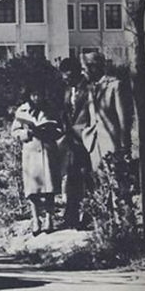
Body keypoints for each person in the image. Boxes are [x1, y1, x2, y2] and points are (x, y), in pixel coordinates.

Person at [11, 84, 63, 235]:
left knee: (49, 188)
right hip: (31, 152)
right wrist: (26, 134)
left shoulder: (50, 109)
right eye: (34, 95)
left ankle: (49, 219)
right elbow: (14, 131)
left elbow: (60, 128)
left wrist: (50, 132)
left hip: (47, 151)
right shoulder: (22, 111)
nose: (37, 98)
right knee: (32, 189)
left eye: (39, 95)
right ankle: (35, 219)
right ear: (29, 96)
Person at [79, 51, 132, 171]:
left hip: (112, 146)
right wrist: (86, 134)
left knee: (115, 179)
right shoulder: (90, 88)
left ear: (93, 67)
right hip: (94, 146)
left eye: (84, 69)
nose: (82, 73)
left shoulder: (115, 86)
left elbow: (123, 120)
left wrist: (125, 147)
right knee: (99, 180)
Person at [58, 57, 91, 229]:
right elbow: (66, 112)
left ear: (77, 72)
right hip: (71, 139)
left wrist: (86, 133)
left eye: (69, 76)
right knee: (72, 176)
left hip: (87, 139)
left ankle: (89, 215)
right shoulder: (67, 90)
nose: (66, 79)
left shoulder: (89, 88)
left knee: (88, 177)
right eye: (64, 76)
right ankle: (71, 216)